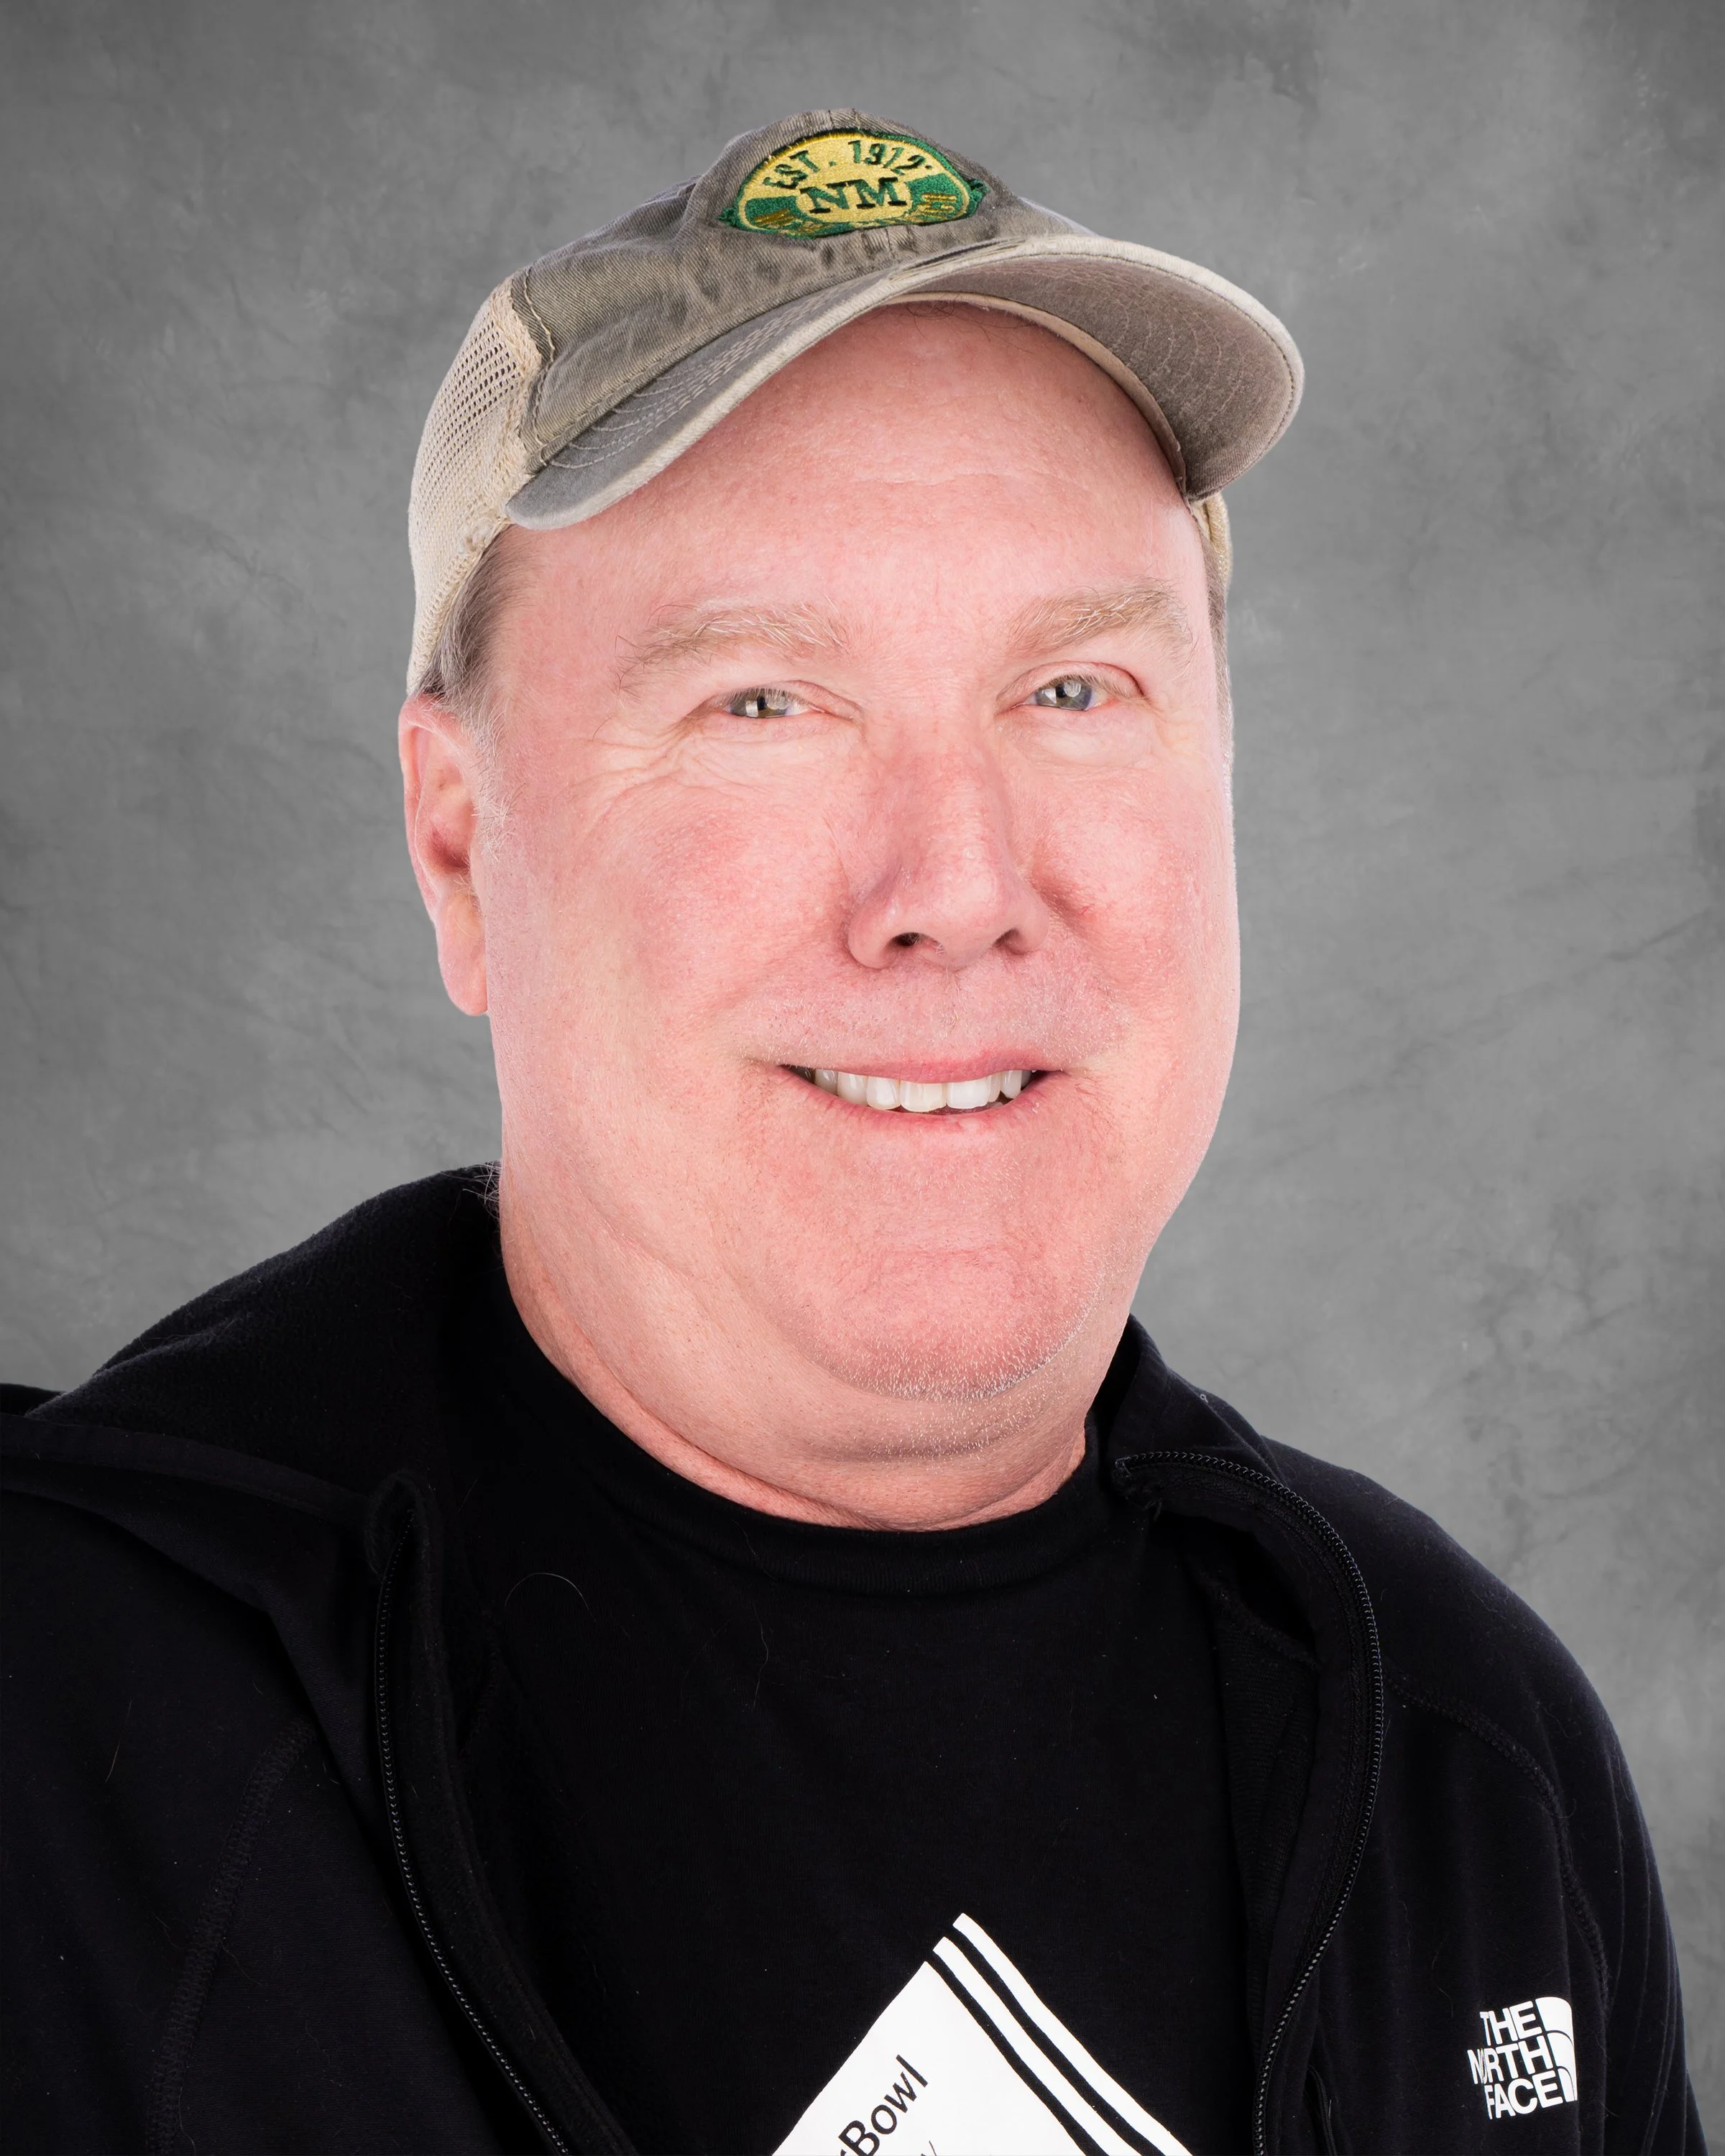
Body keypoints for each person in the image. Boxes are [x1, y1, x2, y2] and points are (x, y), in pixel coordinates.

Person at [0, 110, 1701, 2156]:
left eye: (1073, 691)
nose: (956, 885)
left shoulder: (1465, 1750)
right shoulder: (71, 1742)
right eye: (763, 706)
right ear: (459, 847)